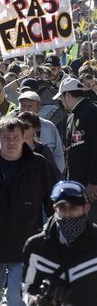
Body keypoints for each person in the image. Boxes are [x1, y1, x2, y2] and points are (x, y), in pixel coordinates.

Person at [0, 117, 58, 306]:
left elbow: (54, 204)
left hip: (25, 246)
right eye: (6, 138)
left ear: (23, 137)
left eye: (16, 137)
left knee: (18, 301)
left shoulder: (39, 165)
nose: (12, 142)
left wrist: (52, 236)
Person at [22, 180, 97, 306]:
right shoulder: (35, 246)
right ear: (54, 208)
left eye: (73, 208)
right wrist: (36, 300)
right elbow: (26, 288)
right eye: (62, 208)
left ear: (86, 208)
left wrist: (77, 296)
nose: (67, 214)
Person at [53, 77, 97, 223]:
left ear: (67, 95)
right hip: (79, 183)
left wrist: (93, 181)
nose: (61, 102)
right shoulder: (73, 115)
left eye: (61, 98)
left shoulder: (91, 111)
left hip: (91, 186)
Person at [17, 90, 65, 172]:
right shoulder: (11, 127)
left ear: (39, 107)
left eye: (29, 106)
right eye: (23, 106)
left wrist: (55, 177)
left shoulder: (50, 127)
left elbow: (58, 155)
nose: (26, 109)